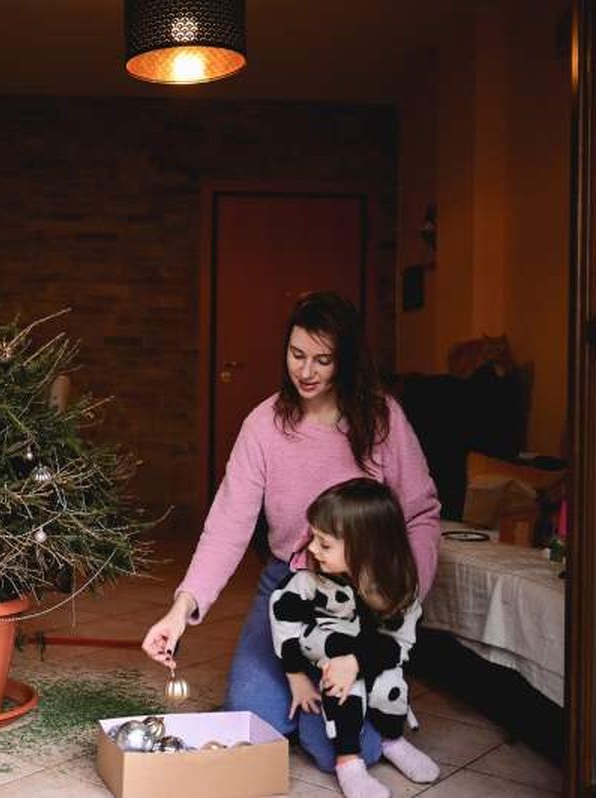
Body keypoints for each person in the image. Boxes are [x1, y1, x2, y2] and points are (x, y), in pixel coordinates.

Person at [141, 291, 442, 772]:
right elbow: (227, 525)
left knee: (347, 748)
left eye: (322, 360)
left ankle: (350, 705)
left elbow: (421, 515)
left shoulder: (383, 418)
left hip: (363, 598)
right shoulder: (263, 426)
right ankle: (310, 696)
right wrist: (182, 609)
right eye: (297, 355)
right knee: (252, 720)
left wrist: (398, 594)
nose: (306, 372)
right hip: (290, 586)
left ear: (346, 361)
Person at [270, 478, 439, 798]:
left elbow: (397, 646)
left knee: (390, 681)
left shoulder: (398, 584)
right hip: (322, 643)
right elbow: (284, 622)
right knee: (341, 683)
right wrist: (296, 677)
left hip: (369, 652)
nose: (312, 548)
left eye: (325, 543)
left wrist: (357, 662)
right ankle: (348, 763)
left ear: (365, 548)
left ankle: (394, 741)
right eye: (313, 538)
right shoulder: (308, 578)